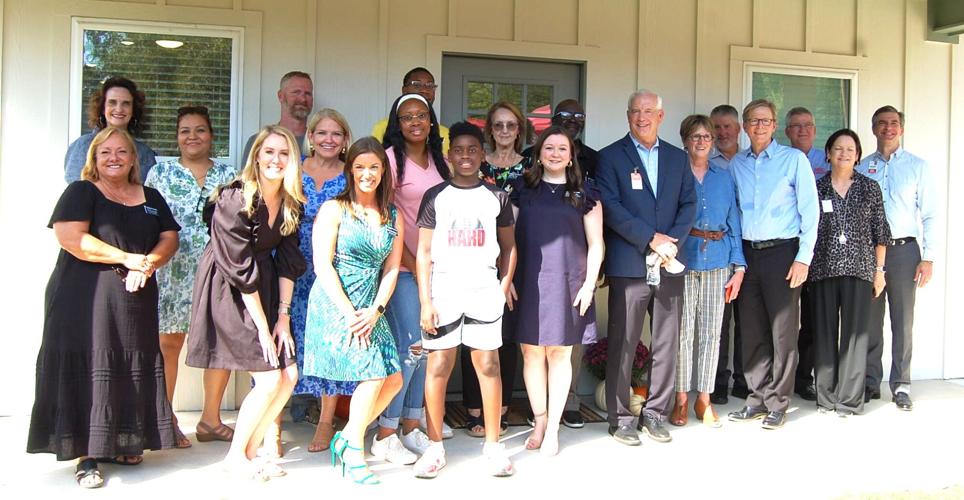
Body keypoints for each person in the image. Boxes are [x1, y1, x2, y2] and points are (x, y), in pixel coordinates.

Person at [28, 127, 180, 489]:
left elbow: (169, 237)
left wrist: (148, 264)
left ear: (133, 158)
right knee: (92, 365)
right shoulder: (81, 191)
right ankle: (87, 456)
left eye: (121, 152)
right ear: (93, 159)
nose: (113, 157)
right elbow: (72, 239)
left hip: (134, 298)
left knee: (128, 366)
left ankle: (124, 441)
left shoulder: (152, 196)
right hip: (83, 297)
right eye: (105, 152)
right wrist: (129, 258)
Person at [186, 125, 306, 480]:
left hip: (264, 289)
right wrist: (262, 330)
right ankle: (236, 457)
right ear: (256, 155)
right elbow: (239, 270)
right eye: (269, 151)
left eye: (284, 153)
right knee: (269, 379)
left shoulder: (289, 201)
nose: (276, 159)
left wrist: (282, 319)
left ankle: (251, 451)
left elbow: (288, 261)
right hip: (230, 290)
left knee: (289, 376)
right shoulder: (234, 199)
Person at [412, 121, 517, 478]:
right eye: (459, 150)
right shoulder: (436, 196)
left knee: (488, 365)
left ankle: (493, 446)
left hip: (483, 292)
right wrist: (425, 301)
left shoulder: (496, 196)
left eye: (473, 149)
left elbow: (509, 247)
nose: (466, 156)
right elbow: (423, 252)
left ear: (482, 154)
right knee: (438, 365)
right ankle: (435, 446)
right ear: (449, 155)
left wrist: (503, 287)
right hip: (444, 292)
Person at [302, 137, 405, 485]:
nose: (367, 173)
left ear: (383, 171)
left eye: (373, 167)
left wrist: (375, 309)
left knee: (393, 380)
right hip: (336, 302)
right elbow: (322, 265)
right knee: (374, 375)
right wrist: (349, 312)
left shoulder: (393, 215)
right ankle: (355, 451)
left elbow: (391, 269)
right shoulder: (335, 209)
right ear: (350, 171)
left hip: (371, 306)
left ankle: (346, 436)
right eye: (359, 166)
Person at [596, 90, 696, 446]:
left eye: (649, 111)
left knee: (667, 342)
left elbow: (689, 205)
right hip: (629, 263)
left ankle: (655, 414)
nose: (642, 117)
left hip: (669, 264)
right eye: (636, 111)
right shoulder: (609, 157)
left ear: (661, 115)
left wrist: (670, 245)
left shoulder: (677, 158)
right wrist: (650, 238)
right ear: (627, 116)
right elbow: (610, 205)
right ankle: (621, 418)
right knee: (623, 342)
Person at [144, 106, 237, 449]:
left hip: (219, 272)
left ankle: (210, 420)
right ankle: (164, 420)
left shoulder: (231, 175)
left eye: (200, 130)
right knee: (169, 344)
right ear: (177, 136)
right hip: (173, 270)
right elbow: (147, 219)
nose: (192, 136)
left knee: (220, 346)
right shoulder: (160, 174)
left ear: (211, 135)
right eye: (185, 130)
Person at [727, 99, 819, 430]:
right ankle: (756, 398)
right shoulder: (736, 164)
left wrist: (803, 258)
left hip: (783, 253)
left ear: (774, 124)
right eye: (753, 121)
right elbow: (734, 215)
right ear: (745, 125)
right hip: (749, 255)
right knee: (751, 331)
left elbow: (811, 212)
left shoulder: (792, 160)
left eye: (765, 121)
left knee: (782, 332)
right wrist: (738, 260)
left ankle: (779, 401)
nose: (759, 126)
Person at [512, 126, 603, 455]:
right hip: (529, 281)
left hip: (569, 283)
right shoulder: (523, 188)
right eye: (548, 148)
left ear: (571, 156)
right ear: (538, 152)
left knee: (560, 353)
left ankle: (553, 430)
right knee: (532, 352)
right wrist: (506, 278)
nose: (554, 153)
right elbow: (508, 241)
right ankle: (539, 420)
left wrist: (590, 285)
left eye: (561, 149)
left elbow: (596, 244)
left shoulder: (585, 193)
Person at [370, 93, 450, 464]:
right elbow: (385, 219)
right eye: (406, 117)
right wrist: (413, 264)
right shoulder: (387, 161)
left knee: (427, 348)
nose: (415, 122)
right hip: (401, 267)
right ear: (396, 123)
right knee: (409, 349)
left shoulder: (441, 161)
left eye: (421, 115)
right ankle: (385, 433)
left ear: (431, 121)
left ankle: (411, 425)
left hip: (437, 269)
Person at [857, 105, 939, 411]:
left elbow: (930, 214)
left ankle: (901, 384)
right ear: (874, 128)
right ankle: (869, 381)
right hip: (870, 251)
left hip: (905, 251)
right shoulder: (862, 168)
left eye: (893, 123)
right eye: (882, 123)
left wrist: (928, 258)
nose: (888, 128)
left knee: (903, 320)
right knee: (870, 319)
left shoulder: (918, 167)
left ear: (901, 129)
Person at [285, 109, 353, 453]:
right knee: (290, 340)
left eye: (336, 134)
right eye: (322, 133)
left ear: (345, 140)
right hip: (291, 270)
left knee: (329, 342)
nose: (329, 139)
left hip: (334, 270)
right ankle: (272, 429)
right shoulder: (292, 170)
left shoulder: (351, 175)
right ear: (310, 137)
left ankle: (326, 421)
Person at [671, 115, 745, 428]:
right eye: (695, 136)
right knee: (683, 332)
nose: (702, 142)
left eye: (707, 137)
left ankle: (704, 397)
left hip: (718, 259)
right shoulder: (675, 175)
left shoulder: (724, 176)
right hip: (683, 260)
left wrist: (739, 265)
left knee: (712, 333)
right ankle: (680, 398)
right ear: (685, 141)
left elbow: (735, 223)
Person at [810, 129, 890, 416]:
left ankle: (849, 400)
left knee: (856, 336)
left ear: (857, 156)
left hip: (860, 269)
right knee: (824, 333)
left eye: (851, 149)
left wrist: (880, 272)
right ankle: (827, 396)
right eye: (839, 148)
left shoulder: (870, 188)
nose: (844, 153)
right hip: (823, 268)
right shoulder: (816, 187)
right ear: (829, 153)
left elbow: (881, 233)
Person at [461, 100, 528, 438]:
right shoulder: (476, 163)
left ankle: (499, 409)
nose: (504, 131)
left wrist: (509, 274)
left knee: (506, 336)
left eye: (511, 125)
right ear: (489, 129)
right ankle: (473, 408)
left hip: (520, 260)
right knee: (473, 334)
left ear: (520, 130)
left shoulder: (532, 166)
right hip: (477, 259)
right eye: (498, 125)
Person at [785, 106, 831, 402]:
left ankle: (805, 378)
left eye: (808, 125)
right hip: (788, 250)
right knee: (784, 319)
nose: (802, 130)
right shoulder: (783, 161)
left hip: (820, 250)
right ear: (786, 131)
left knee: (812, 318)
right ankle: (780, 379)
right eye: (796, 126)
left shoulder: (824, 161)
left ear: (815, 130)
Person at [708, 104, 749, 405]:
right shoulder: (706, 165)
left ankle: (744, 379)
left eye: (727, 127)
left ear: (738, 129)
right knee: (719, 319)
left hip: (753, 246)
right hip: (722, 249)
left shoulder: (751, 162)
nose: (723, 133)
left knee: (748, 319)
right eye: (717, 128)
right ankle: (718, 380)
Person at [64, 77, 157, 183]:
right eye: (112, 102)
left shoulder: (145, 153)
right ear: (103, 108)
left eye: (126, 103)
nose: (119, 109)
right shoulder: (82, 145)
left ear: (133, 109)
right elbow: (75, 189)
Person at [240, 71, 313, 167]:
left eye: (308, 94)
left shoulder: (319, 143)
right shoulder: (258, 141)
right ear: (280, 96)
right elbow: (247, 180)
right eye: (296, 92)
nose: (303, 99)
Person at [372, 67, 450, 153]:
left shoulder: (445, 133)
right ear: (404, 90)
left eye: (430, 85)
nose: (424, 90)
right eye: (417, 85)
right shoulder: (383, 128)